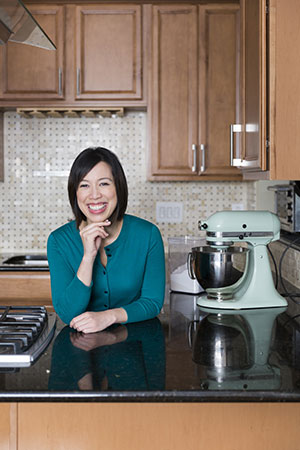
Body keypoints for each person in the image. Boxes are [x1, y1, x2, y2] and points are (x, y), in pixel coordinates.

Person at [47, 147, 165, 333]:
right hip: (81, 351)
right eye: (84, 185)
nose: (94, 195)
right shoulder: (58, 241)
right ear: (75, 193)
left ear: (118, 187)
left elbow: (153, 302)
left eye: (103, 184)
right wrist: (88, 256)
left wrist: (109, 317)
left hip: (136, 341)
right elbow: (67, 314)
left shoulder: (148, 234)